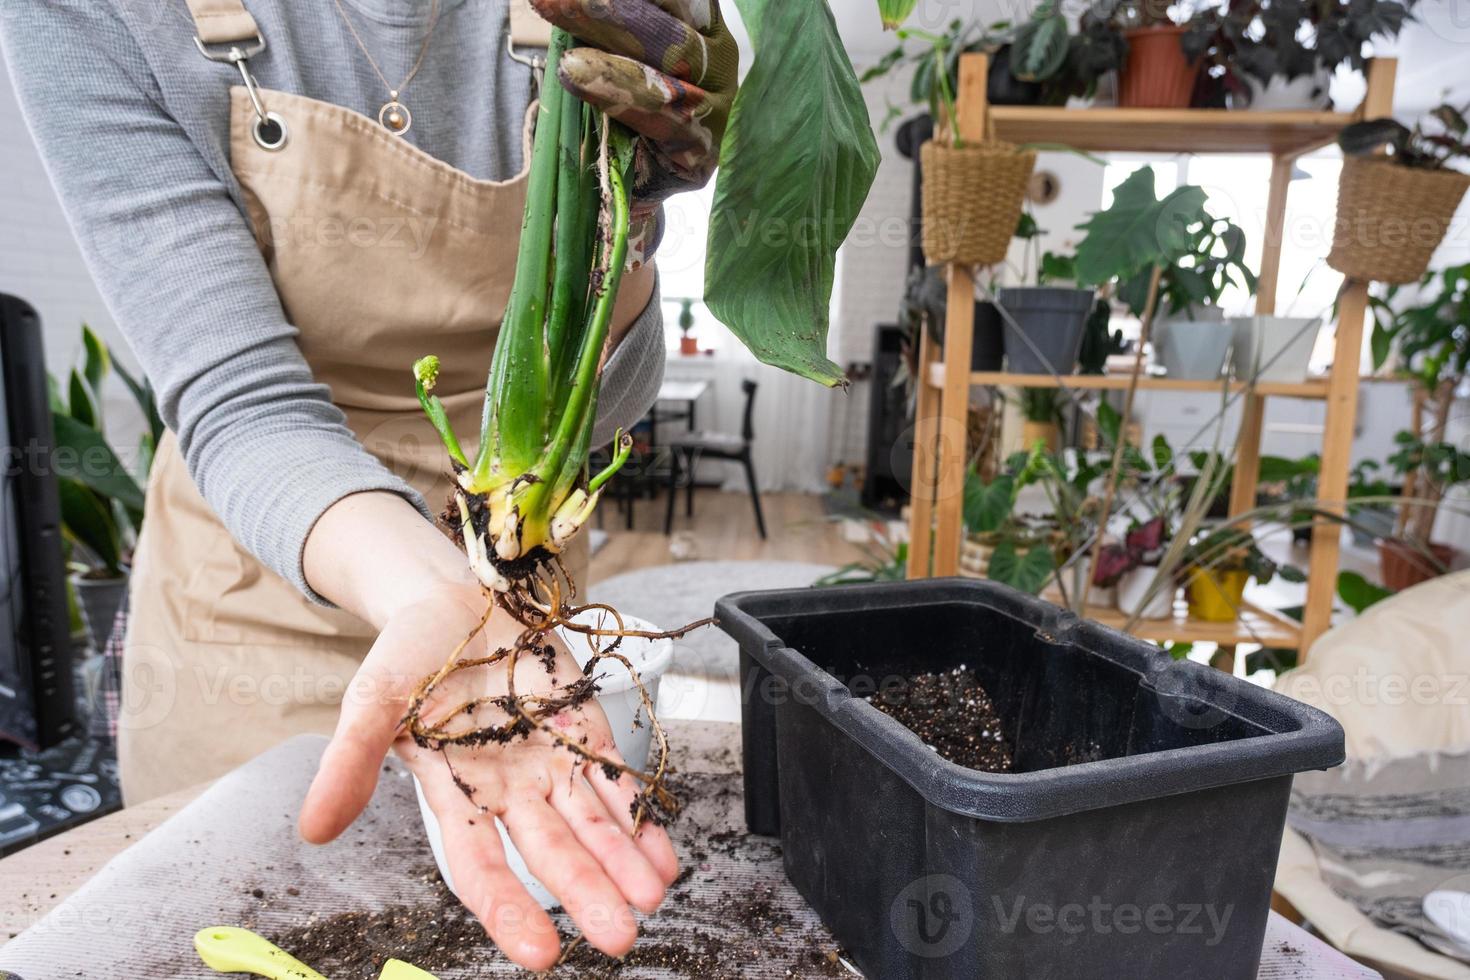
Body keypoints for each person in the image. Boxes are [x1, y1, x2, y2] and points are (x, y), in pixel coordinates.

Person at [3, 0, 737, 969]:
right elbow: (242, 399)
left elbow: (605, 400)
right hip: (256, 592)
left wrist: (631, 213)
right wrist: (435, 593)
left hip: (513, 623)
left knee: (524, 925)